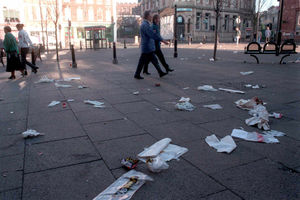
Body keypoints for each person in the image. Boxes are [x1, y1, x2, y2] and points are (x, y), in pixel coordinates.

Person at [134, 11, 168, 79]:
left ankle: (160, 72)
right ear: (147, 16)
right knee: (144, 61)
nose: (151, 16)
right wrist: (162, 40)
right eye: (150, 15)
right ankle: (137, 74)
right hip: (147, 47)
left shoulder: (145, 24)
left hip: (147, 46)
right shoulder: (145, 25)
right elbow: (152, 34)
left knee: (152, 60)